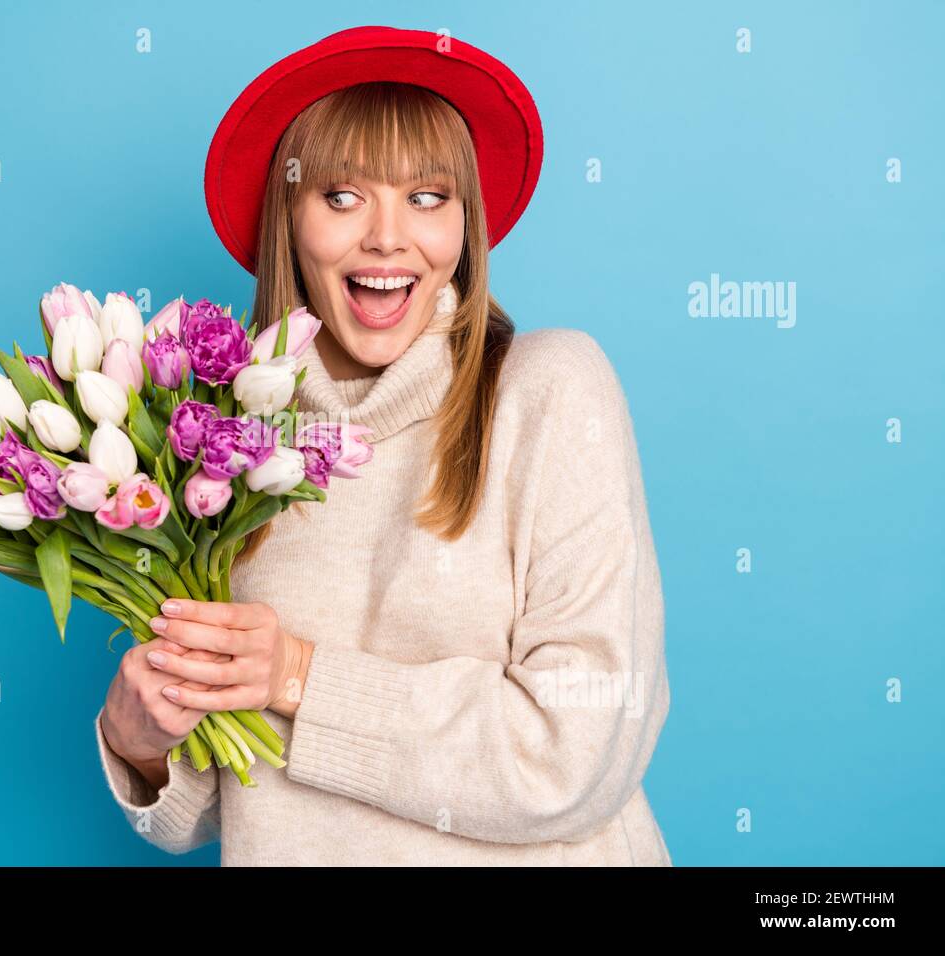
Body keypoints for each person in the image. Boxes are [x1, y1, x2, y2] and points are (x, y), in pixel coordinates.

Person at [94, 25, 673, 865]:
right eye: (341, 196)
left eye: (428, 197)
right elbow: (218, 806)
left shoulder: (551, 390)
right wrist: (137, 737)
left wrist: (296, 673)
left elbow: (573, 754)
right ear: (287, 221)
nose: (388, 238)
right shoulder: (221, 444)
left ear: (464, 225)